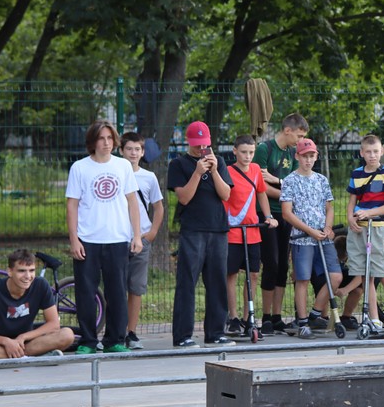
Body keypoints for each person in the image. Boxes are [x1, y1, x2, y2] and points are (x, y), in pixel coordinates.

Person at [66, 119, 142, 354]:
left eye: (110, 138)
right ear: (93, 141)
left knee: (117, 292)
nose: (106, 143)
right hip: (87, 240)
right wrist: (74, 239)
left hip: (117, 239)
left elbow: (132, 202)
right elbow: (72, 205)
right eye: (101, 138)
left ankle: (115, 340)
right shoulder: (79, 168)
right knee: (86, 293)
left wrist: (137, 236)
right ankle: (88, 341)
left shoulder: (123, 166)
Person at [168, 120, 235, 348]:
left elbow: (225, 194)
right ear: (189, 142)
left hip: (218, 229)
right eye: (197, 145)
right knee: (187, 282)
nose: (201, 149)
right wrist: (197, 172)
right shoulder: (178, 164)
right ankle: (182, 336)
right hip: (193, 230)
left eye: (204, 144)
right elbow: (184, 198)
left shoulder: (220, 162)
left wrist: (214, 171)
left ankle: (215, 332)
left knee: (217, 282)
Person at [336, 134, 384, 339]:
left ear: (382, 152)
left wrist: (368, 213)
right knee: (366, 276)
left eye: (376, 151)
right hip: (359, 229)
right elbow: (352, 201)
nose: (372, 155)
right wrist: (350, 218)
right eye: (368, 152)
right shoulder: (357, 174)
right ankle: (375, 320)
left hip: (378, 228)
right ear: (361, 153)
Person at [0, 249, 75, 359]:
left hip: (27, 343)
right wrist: (6, 342)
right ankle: (27, 356)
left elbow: (54, 324)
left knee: (67, 335)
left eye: (32, 270)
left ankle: (18, 355)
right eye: (21, 271)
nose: (28, 276)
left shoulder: (41, 285)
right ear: (10, 271)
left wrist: (23, 337)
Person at [255, 113, 309, 334]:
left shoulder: (291, 153)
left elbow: (295, 184)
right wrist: (286, 194)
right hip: (266, 214)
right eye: (299, 135)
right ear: (288, 130)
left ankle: (277, 317)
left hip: (286, 215)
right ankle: (266, 316)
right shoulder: (264, 149)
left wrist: (278, 182)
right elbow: (259, 184)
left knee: (283, 266)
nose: (301, 140)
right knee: (271, 263)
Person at [280, 138, 338, 339]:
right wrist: (309, 231)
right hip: (302, 238)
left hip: (323, 237)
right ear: (297, 156)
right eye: (304, 156)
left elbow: (329, 207)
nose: (308, 160)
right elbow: (287, 213)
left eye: (311, 156)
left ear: (316, 156)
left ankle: (314, 314)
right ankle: (303, 322)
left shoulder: (322, 180)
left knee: (336, 276)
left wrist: (327, 227)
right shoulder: (290, 180)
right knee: (302, 279)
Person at [223, 135, 277, 338]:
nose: (248, 156)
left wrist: (268, 216)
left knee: (253, 274)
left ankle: (249, 318)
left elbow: (261, 192)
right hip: (233, 230)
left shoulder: (255, 170)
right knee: (231, 274)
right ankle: (233, 318)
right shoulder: (227, 171)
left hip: (252, 230)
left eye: (251, 152)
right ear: (235, 151)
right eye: (244, 152)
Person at [119, 132, 165, 350]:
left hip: (141, 239)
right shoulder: (115, 173)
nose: (133, 153)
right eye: (129, 149)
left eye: (137, 149)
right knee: (116, 287)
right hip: (118, 238)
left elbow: (158, 207)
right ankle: (115, 331)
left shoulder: (149, 177)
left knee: (136, 288)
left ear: (143, 152)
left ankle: (131, 332)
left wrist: (152, 232)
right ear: (121, 151)